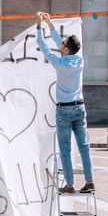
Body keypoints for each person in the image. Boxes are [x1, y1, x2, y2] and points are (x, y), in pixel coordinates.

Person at [35, 12, 95, 194]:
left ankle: (69, 185)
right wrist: (49, 22)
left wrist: (39, 25)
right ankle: (90, 181)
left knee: (66, 148)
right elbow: (57, 42)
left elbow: (43, 45)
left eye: (63, 44)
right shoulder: (80, 61)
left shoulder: (59, 63)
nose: (60, 45)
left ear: (66, 50)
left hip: (64, 111)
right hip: (80, 107)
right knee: (84, 146)